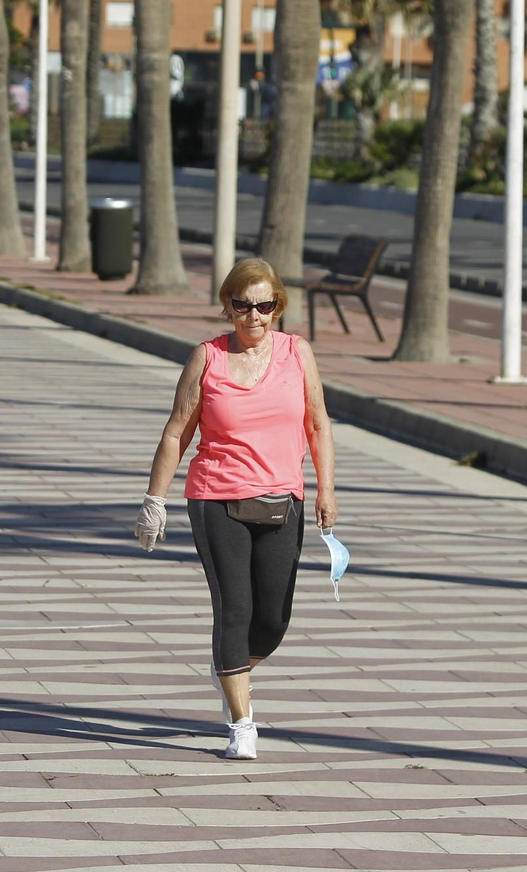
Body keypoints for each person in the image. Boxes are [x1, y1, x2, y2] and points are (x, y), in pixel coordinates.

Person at [139, 257, 338, 761]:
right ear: (227, 307)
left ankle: (231, 668)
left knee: (273, 618)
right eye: (243, 305)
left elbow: (318, 424)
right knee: (235, 607)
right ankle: (242, 723)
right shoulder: (206, 357)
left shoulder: (297, 353)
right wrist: (154, 500)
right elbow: (177, 431)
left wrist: (326, 490)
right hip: (216, 497)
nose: (254, 316)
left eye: (265, 306)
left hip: (282, 499)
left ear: (278, 307)